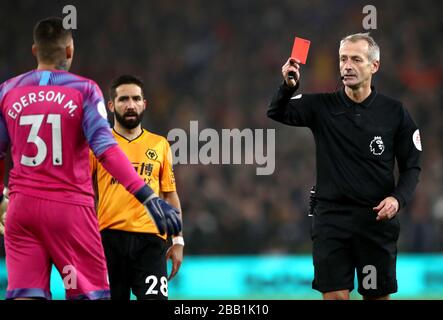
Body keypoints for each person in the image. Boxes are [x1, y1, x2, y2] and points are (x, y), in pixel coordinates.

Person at [0, 17, 181, 300]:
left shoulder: (7, 90)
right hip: (69, 211)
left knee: (25, 294)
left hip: (22, 210)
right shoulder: (83, 90)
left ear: (35, 50)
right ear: (70, 50)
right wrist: (147, 195)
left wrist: (2, 196)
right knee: (90, 295)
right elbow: (107, 151)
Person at [267, 33, 422, 300]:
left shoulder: (394, 112)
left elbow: (412, 167)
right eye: (343, 59)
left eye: (355, 59)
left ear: (374, 66)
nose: (347, 66)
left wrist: (397, 200)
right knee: (336, 296)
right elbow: (277, 111)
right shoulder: (321, 106)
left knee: (376, 296)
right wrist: (288, 85)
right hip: (331, 220)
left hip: (375, 221)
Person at [90, 75, 184, 300]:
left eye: (135, 98)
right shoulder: (97, 145)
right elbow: (84, 192)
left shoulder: (159, 144)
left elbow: (170, 194)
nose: (130, 105)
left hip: (151, 241)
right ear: (111, 105)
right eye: (123, 99)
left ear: (144, 103)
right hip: (109, 240)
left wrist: (178, 240)